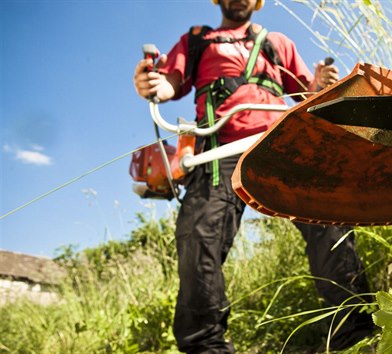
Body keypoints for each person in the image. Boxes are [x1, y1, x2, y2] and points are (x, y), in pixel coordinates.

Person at [133, 0, 374, 352]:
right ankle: (205, 345)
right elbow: (168, 84)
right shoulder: (197, 41)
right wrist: (153, 84)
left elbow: (306, 92)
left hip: (281, 144)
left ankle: (355, 333)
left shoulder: (278, 43)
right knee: (199, 237)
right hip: (219, 150)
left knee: (330, 223)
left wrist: (318, 82)